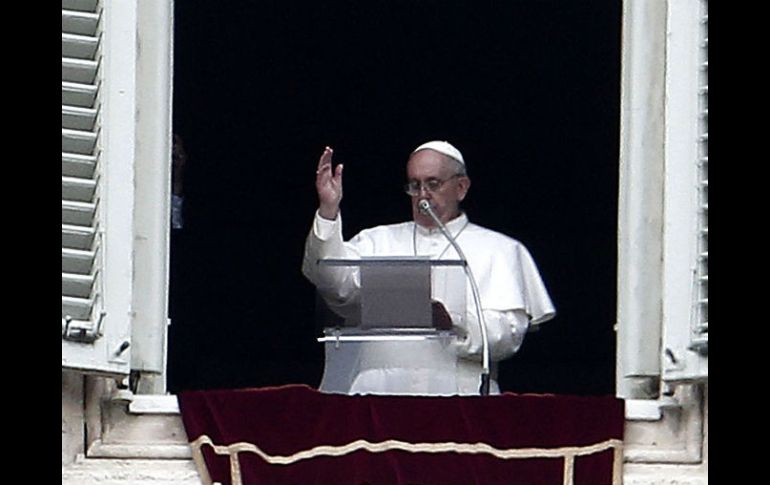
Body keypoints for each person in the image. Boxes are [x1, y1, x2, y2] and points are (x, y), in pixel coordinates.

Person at [302, 141, 555, 395]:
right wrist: (328, 210)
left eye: (433, 184)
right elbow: (333, 283)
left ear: (461, 187)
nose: (423, 194)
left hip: (460, 394)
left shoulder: (499, 249)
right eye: (414, 185)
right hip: (379, 395)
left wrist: (454, 321)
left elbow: (509, 334)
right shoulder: (377, 241)